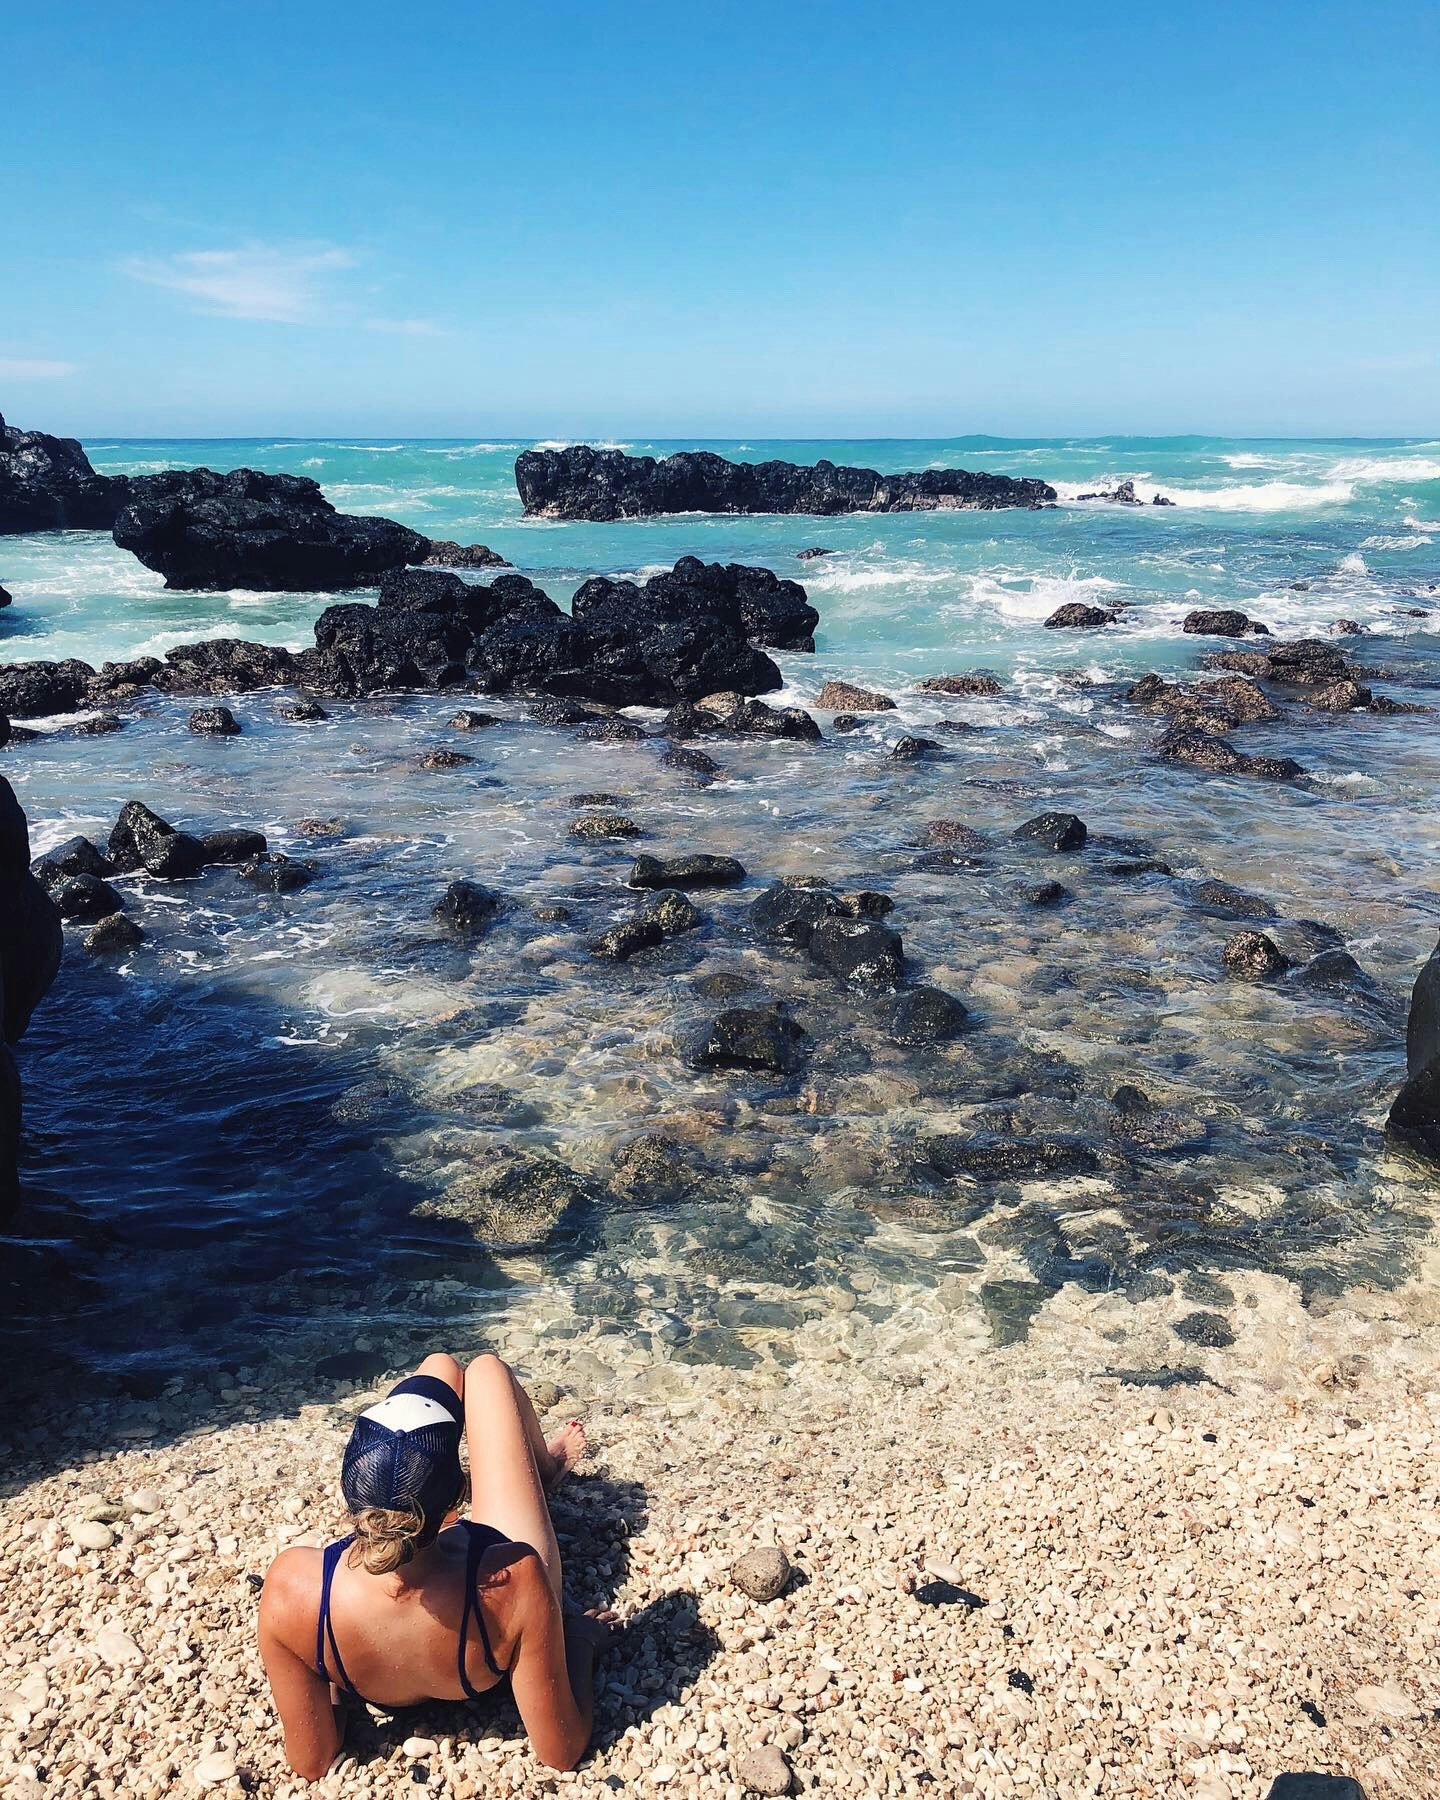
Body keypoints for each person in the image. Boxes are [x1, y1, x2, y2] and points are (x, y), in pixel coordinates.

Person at [258, 1352, 613, 1781]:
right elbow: (562, 1749)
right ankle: (546, 1467)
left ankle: (406, 1449)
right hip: (472, 1610)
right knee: (485, 1371)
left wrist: (325, 1670)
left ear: (348, 1501)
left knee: (439, 1365)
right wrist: (581, 1641)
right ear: (456, 1505)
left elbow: (311, 1761)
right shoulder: (516, 1576)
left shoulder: (292, 1588)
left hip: (357, 1637)